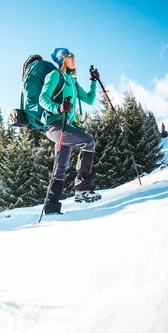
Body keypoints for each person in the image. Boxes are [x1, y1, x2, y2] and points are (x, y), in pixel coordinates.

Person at [39, 47, 102, 215]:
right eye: (70, 56)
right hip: (54, 126)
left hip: (68, 125)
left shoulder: (72, 81)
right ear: (62, 59)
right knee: (88, 142)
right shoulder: (54, 76)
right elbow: (42, 99)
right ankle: (82, 189)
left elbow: (89, 99)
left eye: (74, 55)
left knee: (60, 167)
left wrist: (93, 81)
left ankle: (51, 207)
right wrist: (58, 108)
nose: (74, 58)